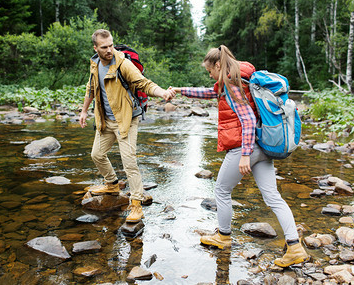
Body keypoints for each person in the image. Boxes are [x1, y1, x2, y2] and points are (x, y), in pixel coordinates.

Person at [169, 45, 309, 267]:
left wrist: (244, 155)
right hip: (264, 146)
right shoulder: (242, 78)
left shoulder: (232, 84)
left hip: (245, 147)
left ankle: (223, 237)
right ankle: (294, 247)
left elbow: (247, 120)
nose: (210, 76)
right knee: (273, 197)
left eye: (210, 71)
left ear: (217, 65)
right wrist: (180, 89)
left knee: (221, 191)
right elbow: (211, 92)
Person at [79, 29, 175, 224]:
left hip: (126, 119)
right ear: (95, 48)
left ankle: (136, 204)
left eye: (111, 45)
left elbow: (144, 84)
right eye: (104, 47)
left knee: (129, 162)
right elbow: (91, 88)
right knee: (96, 154)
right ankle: (112, 184)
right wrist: (83, 111)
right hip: (106, 119)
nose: (109, 50)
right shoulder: (95, 64)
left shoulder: (124, 64)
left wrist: (162, 93)